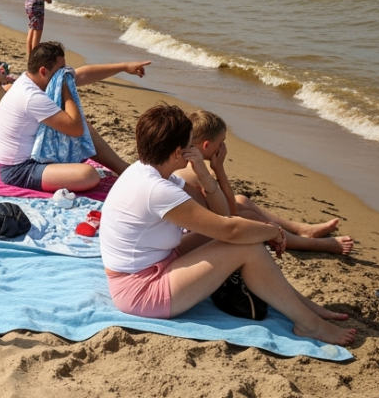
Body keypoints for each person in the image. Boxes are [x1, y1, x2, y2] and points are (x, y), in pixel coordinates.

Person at [99, 104, 357, 346]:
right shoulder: (158, 190)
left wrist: (205, 175)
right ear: (178, 152)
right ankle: (309, 324)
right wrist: (272, 231)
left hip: (154, 263)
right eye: (190, 145)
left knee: (245, 233)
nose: (194, 150)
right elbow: (229, 229)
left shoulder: (147, 170)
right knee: (247, 246)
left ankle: (302, 305)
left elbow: (225, 217)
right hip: (140, 291)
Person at [173, 111, 355, 255]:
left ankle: (301, 229)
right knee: (249, 217)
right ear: (206, 146)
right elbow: (231, 214)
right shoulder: (197, 171)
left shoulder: (183, 161)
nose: (223, 147)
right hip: (190, 235)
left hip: (191, 224)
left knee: (242, 200)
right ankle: (310, 243)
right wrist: (219, 169)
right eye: (221, 142)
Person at [0, 42, 149, 192]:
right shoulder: (31, 96)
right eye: (61, 70)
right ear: (43, 71)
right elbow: (75, 128)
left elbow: (83, 74)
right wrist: (67, 89)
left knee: (83, 126)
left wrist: (124, 67)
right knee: (88, 175)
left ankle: (123, 169)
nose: (64, 74)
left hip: (31, 156)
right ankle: (124, 170)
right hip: (18, 170)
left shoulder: (32, 80)